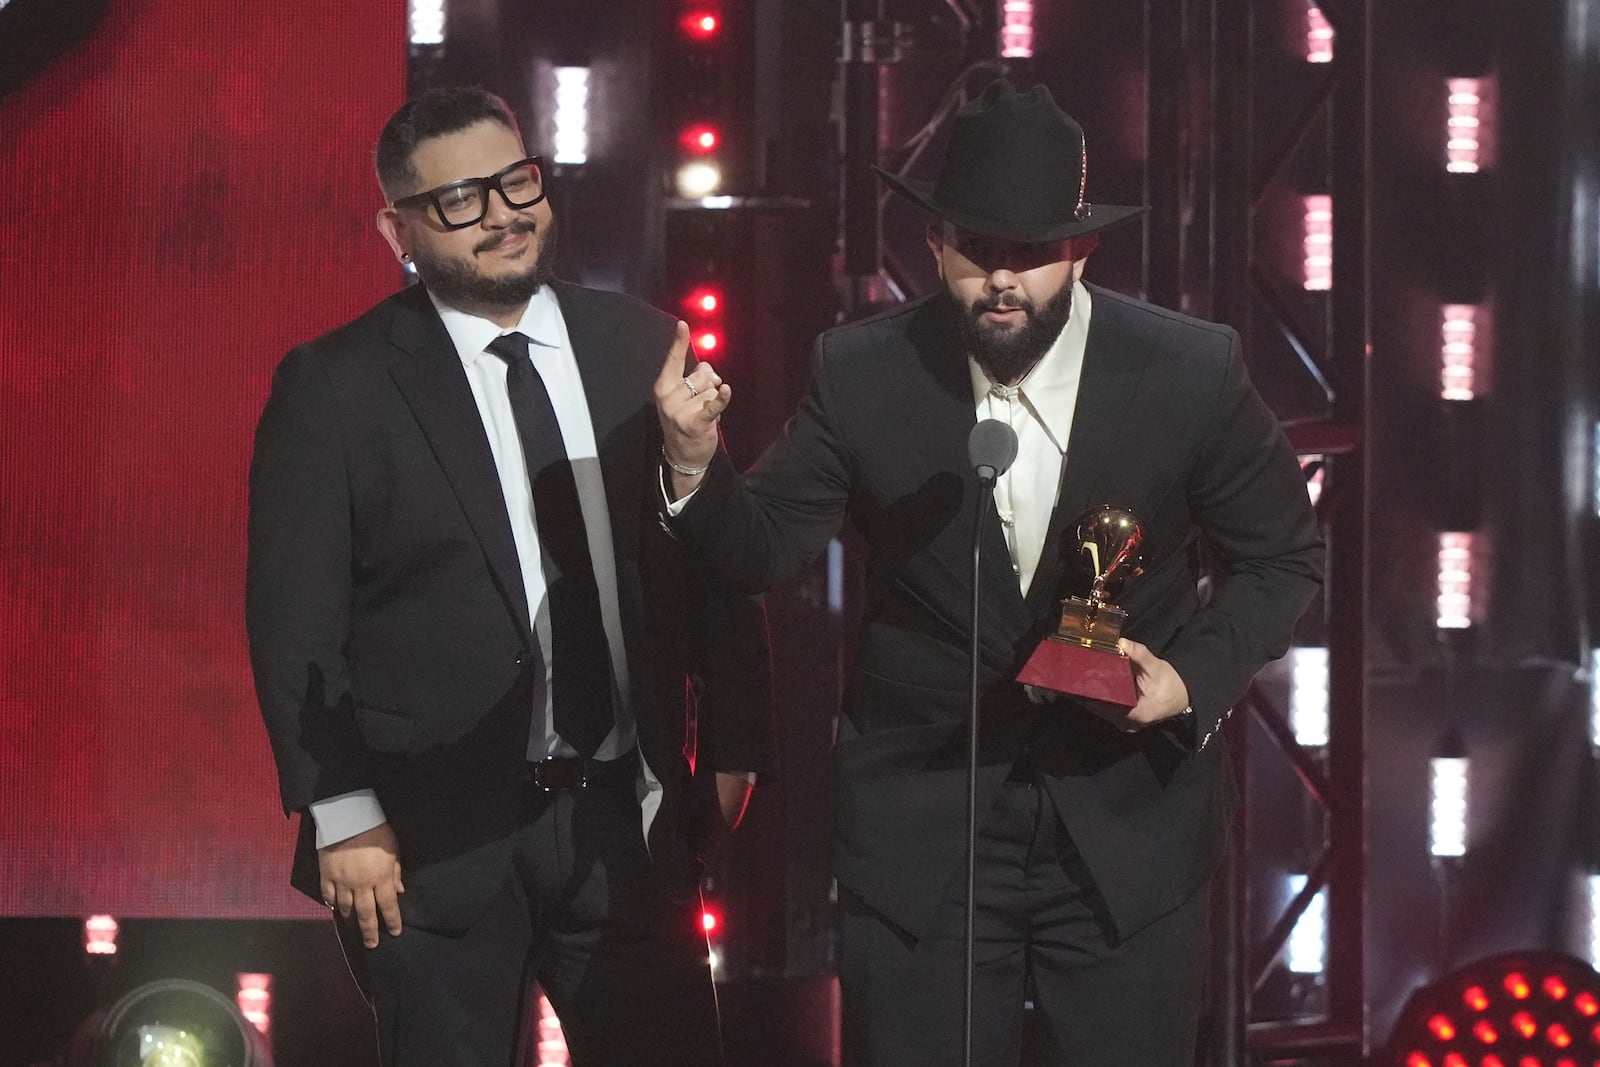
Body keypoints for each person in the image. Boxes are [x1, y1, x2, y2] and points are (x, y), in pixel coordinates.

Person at [656, 79, 1324, 1065]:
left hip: (1124, 825)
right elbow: (760, 547)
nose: (1000, 280)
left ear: (1080, 248)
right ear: (934, 243)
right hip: (925, 825)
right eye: (976, 249)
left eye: (1030, 254)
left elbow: (1283, 555)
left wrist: (1189, 681)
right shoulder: (863, 370)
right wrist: (689, 462)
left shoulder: (1187, 372)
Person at [246, 86, 773, 1066]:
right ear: (396, 226)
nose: (501, 213)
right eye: (460, 200)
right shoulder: (337, 384)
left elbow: (712, 564)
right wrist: (343, 811)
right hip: (426, 840)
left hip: (627, 818)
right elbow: (293, 621)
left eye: (514, 181)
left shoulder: (639, 342)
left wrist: (735, 741)